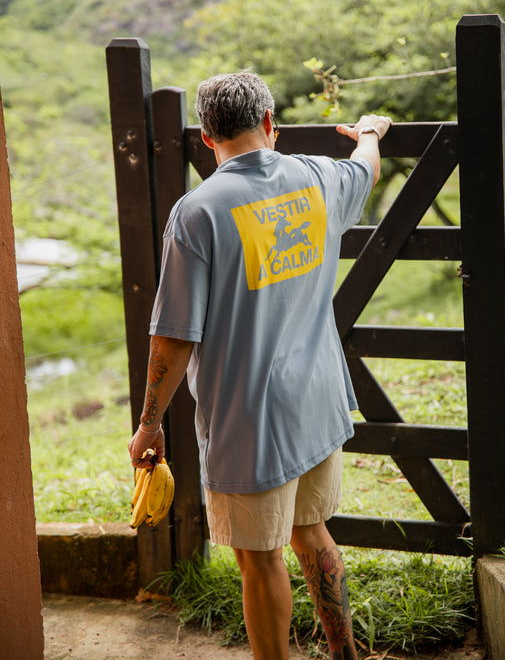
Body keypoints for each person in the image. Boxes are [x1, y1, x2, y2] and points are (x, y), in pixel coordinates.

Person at [128, 71, 391, 660]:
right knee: (311, 534)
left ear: (205, 137)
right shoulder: (319, 176)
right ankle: (345, 655)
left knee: (261, 559)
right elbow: (366, 167)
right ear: (271, 124)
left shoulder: (197, 213)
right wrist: (370, 131)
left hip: (250, 422)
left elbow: (172, 339)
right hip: (318, 401)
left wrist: (149, 422)